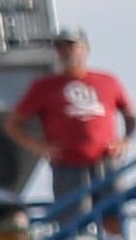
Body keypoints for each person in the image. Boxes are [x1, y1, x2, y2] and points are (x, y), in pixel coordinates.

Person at [16, 31, 127, 198]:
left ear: (85, 48)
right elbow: (13, 123)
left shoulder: (107, 81)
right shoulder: (44, 86)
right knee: (74, 216)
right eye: (61, 47)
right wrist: (37, 145)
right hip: (67, 164)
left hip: (105, 160)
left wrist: (125, 140)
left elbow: (130, 115)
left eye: (71, 45)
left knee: (113, 213)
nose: (66, 51)